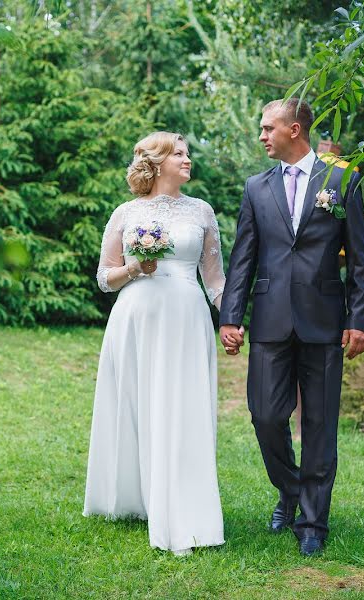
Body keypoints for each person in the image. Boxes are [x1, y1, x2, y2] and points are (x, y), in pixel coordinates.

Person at [219, 99, 364, 556]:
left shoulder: (341, 181)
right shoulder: (255, 187)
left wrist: (359, 319)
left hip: (325, 321)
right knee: (265, 417)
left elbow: (361, 259)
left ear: (294, 129)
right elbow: (242, 256)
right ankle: (290, 490)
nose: (262, 136)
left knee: (320, 424)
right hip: (269, 320)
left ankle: (312, 523)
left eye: (268, 128)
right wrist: (231, 315)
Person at [83, 132, 226, 556]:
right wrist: (134, 268)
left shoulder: (201, 211)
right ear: (157, 162)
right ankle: (137, 495)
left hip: (186, 315)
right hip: (136, 316)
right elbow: (103, 277)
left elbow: (215, 280)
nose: (187, 160)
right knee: (138, 402)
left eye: (187, 154)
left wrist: (233, 318)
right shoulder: (126, 212)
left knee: (184, 405)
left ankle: (185, 503)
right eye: (179, 154)